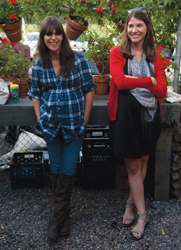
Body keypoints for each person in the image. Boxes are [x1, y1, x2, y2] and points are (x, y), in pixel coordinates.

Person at [28, 16, 95, 242]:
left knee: (68, 169)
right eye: (48, 34)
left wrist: (84, 121)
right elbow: (35, 95)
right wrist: (40, 119)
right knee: (55, 169)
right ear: (43, 38)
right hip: (51, 126)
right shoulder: (38, 64)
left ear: (62, 36)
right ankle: (63, 217)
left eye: (57, 33)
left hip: (74, 125)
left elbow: (89, 89)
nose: (53, 37)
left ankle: (56, 220)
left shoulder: (77, 60)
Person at [108, 8, 167, 240]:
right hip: (126, 119)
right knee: (133, 167)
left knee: (142, 164)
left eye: (139, 26)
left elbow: (162, 91)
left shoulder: (155, 57)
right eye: (130, 26)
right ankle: (143, 215)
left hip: (149, 118)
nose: (134, 30)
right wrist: (149, 80)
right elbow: (120, 83)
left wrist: (140, 82)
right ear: (126, 28)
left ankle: (130, 205)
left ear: (146, 28)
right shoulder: (117, 53)